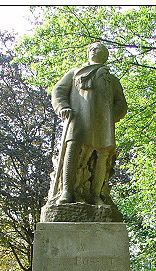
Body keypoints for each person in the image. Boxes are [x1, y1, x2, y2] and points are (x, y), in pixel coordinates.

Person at [50, 42, 127, 206]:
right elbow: (58, 91)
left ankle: (95, 195)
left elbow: (121, 103)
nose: (94, 50)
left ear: (105, 55)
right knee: (72, 150)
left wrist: (111, 116)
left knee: (102, 155)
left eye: (98, 49)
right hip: (78, 118)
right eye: (91, 48)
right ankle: (67, 192)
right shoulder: (75, 73)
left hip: (102, 123)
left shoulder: (111, 79)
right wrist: (63, 107)